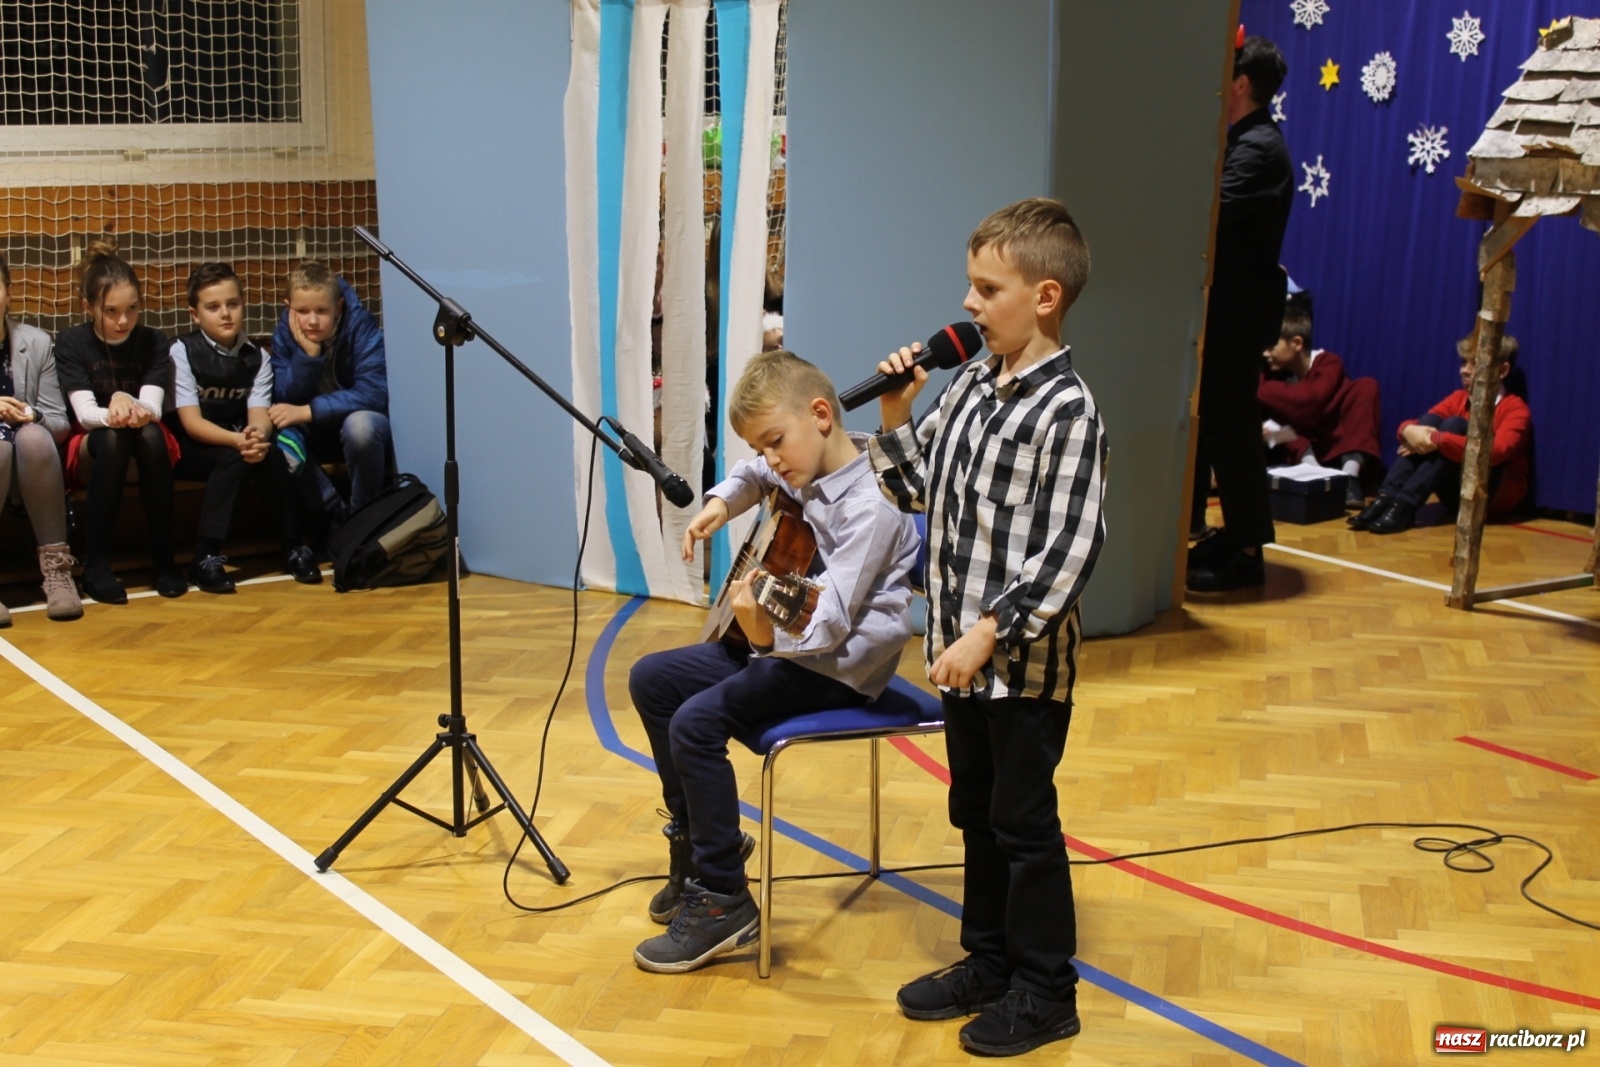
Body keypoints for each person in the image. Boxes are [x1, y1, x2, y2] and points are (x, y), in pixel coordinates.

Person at [869, 198, 1107, 1057]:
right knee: (974, 809)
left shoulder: (1069, 412)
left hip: (1020, 669)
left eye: (985, 288)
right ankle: (990, 957)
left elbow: (1070, 550)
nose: (967, 304)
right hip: (961, 662)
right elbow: (915, 489)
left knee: (1023, 821)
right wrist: (897, 412)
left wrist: (989, 632)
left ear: (1044, 296)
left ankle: (1048, 989)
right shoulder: (970, 383)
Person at [629, 349, 919, 974]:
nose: (771, 459)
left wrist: (761, 636)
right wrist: (722, 503)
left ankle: (724, 902)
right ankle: (706, 846)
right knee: (652, 680)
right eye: (763, 447)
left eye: (774, 442)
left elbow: (829, 623)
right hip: (789, 655)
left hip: (837, 670)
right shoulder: (803, 459)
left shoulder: (872, 503)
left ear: (820, 414)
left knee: (695, 724)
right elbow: (753, 475)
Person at [1188, 34, 1293, 592]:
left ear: (1242, 84)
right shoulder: (1249, 141)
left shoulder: (1258, 148)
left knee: (1232, 426)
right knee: (1218, 425)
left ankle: (1248, 546)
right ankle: (1223, 534)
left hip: (1235, 313)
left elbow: (1212, 212)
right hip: (1225, 309)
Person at [54, 238, 185, 604]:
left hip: (145, 439)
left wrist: (129, 404)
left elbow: (153, 409)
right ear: (88, 307)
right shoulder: (71, 342)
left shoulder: (154, 341)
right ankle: (96, 566)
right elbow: (83, 413)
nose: (123, 320)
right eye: (111, 311)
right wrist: (116, 406)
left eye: (132, 309)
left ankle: (165, 560)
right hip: (92, 445)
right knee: (114, 440)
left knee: (150, 436)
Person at [168, 263, 302, 592]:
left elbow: (259, 414)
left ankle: (295, 546)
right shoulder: (181, 351)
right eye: (213, 307)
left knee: (271, 454)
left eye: (232, 304)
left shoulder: (258, 356)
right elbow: (192, 422)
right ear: (195, 315)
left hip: (237, 444)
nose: (225, 314)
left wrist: (256, 437)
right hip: (192, 448)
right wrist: (237, 441)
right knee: (233, 457)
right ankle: (205, 556)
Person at [1350, 332, 1530, 534]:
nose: (1465, 371)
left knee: (1455, 425)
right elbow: (1420, 423)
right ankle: (1386, 499)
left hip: (1491, 497)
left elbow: (1495, 453)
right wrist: (1407, 430)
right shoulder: (1459, 398)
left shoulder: (1515, 409)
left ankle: (1405, 505)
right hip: (1457, 493)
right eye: (1463, 363)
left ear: (1502, 370)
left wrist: (1437, 439)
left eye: (1475, 364)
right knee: (1431, 422)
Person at [269, 262, 390, 557]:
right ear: (288, 308)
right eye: (302, 311)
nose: (312, 321)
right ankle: (334, 516)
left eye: (321, 311)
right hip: (315, 432)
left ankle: (363, 521)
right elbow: (283, 394)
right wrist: (308, 357)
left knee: (360, 426)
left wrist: (309, 411)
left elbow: (375, 393)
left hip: (358, 424)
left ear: (337, 306)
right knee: (280, 439)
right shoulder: (285, 333)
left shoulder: (361, 327)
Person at [0, 254, 82, 622]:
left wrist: (33, 414)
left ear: (8, 292)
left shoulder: (35, 343)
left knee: (33, 436)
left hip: (31, 461)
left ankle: (58, 572)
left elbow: (61, 423)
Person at [1257, 301, 1381, 508]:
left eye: (1271, 346)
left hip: (1338, 448)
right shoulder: (1271, 377)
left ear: (1297, 343)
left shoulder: (1328, 363)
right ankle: (1314, 474)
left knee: (1366, 387)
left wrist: (1260, 390)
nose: (1265, 354)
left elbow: (1311, 403)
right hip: (1305, 457)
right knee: (1267, 421)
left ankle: (1350, 478)